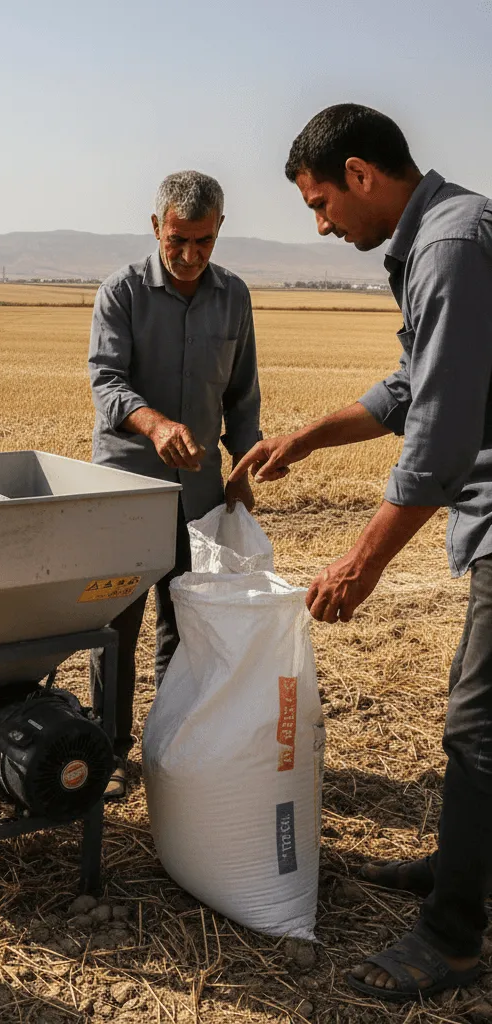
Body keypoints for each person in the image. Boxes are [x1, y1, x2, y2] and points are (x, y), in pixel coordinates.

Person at [230, 103, 492, 1002]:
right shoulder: (439, 236)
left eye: (319, 203)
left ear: (360, 174)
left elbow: (442, 437)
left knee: (478, 728)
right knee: (480, 713)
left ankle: (454, 935)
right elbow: (410, 382)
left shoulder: (450, 246)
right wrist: (305, 438)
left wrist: (361, 563)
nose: (321, 223)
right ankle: (466, 866)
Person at [88, 170, 261, 800]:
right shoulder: (121, 293)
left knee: (186, 626)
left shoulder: (233, 296)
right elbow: (106, 383)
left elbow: (242, 395)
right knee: (117, 629)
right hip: (129, 493)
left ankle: (175, 747)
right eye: (178, 240)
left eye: (204, 243)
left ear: (219, 232)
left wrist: (243, 466)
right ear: (156, 226)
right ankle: (107, 752)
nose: (189, 256)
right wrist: (155, 424)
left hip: (201, 497)